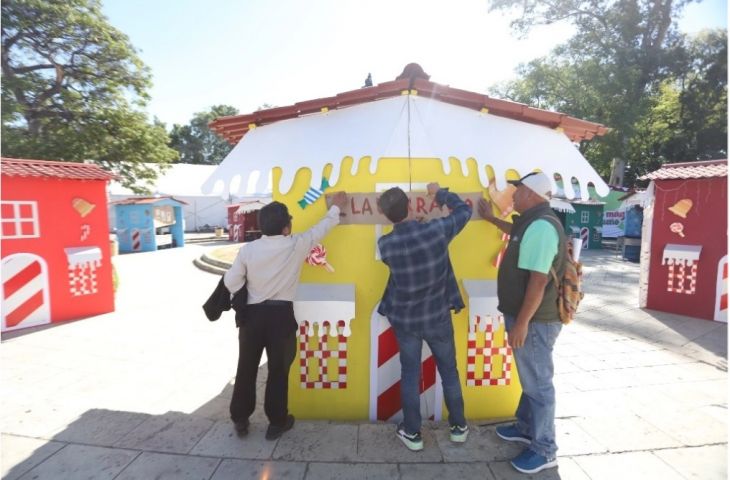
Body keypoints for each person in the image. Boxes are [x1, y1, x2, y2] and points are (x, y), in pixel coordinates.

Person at [224, 192, 348, 440]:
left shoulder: (248, 250)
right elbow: (322, 228)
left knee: (246, 368)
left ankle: (240, 419)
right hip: (281, 318)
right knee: (278, 372)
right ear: (286, 228)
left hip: (252, 318)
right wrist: (336, 207)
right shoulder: (296, 244)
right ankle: (277, 422)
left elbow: (230, 282)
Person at [477, 171, 566, 474]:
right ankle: (526, 427)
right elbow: (513, 230)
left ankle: (545, 449)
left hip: (536, 321)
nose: (513, 195)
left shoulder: (541, 226)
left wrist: (522, 323)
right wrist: (491, 219)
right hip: (527, 317)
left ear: (531, 193)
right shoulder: (530, 221)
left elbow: (538, 281)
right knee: (530, 377)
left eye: (518, 191)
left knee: (539, 384)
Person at [377, 182, 471, 451]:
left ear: (385, 215)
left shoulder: (386, 245)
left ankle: (413, 433)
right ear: (410, 205)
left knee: (409, 374)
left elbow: (408, 249)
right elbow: (464, 211)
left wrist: (417, 227)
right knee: (449, 372)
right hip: (438, 317)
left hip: (406, 321)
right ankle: (458, 428)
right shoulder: (436, 231)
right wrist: (440, 193)